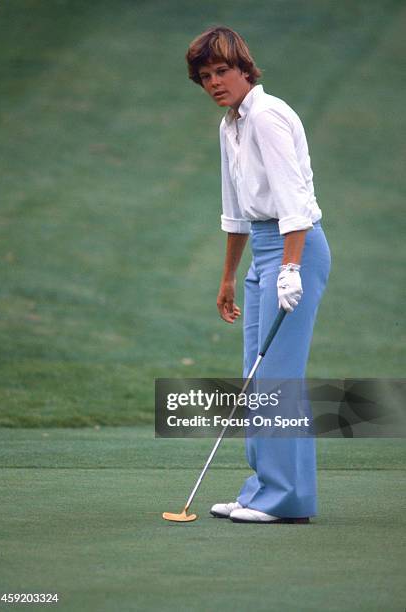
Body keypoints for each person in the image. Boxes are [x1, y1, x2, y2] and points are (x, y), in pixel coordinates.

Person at [185, 26, 331, 523]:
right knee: (257, 381)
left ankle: (285, 499)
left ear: (245, 69)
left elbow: (294, 204)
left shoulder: (267, 116)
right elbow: (235, 212)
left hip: (297, 249)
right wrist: (229, 277)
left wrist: (290, 269)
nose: (214, 82)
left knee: (278, 379)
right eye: (205, 76)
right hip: (264, 253)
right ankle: (262, 490)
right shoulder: (230, 125)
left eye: (222, 71)